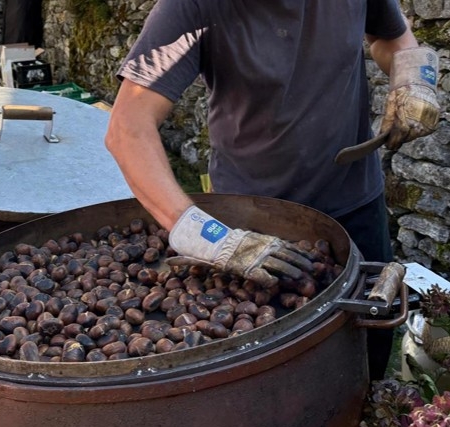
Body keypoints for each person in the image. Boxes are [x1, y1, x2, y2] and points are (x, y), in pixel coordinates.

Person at [104, 0, 440, 381]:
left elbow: (392, 40)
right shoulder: (191, 6)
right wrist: (210, 237)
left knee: (368, 352)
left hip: (355, 207)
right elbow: (128, 129)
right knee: (268, 375)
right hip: (250, 232)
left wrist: (414, 79)